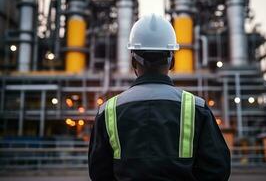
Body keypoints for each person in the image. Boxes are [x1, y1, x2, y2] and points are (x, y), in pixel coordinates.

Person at [88, 14, 230, 181]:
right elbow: (217, 170)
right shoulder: (197, 108)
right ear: (172, 62)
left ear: (134, 62)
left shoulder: (107, 111)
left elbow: (99, 174)